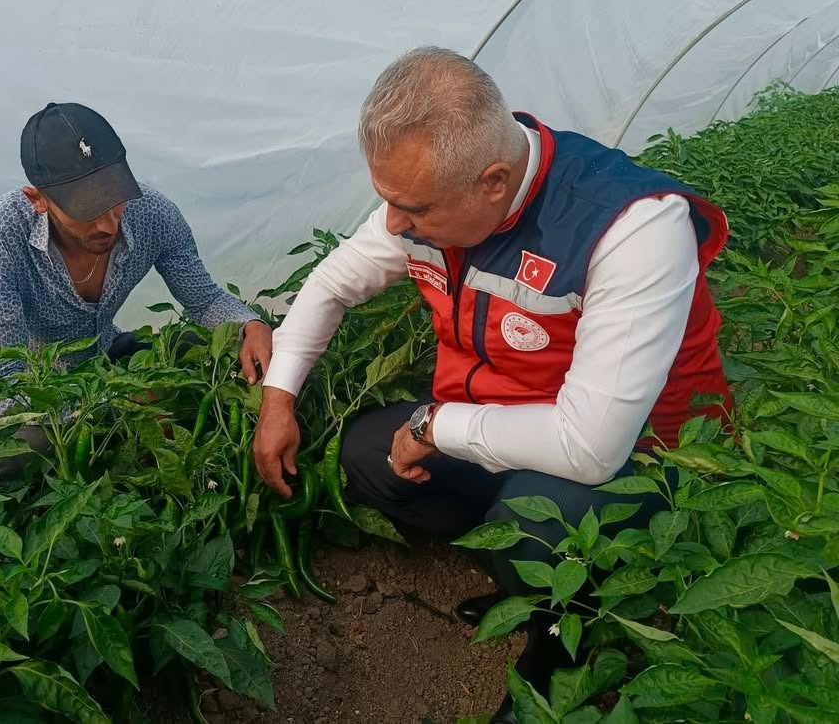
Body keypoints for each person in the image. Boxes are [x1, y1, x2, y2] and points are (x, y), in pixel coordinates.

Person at [252, 47, 731, 721]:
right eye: (388, 201)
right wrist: (278, 399)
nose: (394, 224)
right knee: (366, 456)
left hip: (647, 456)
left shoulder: (631, 227)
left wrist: (434, 426)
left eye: (412, 209)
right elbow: (333, 282)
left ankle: (559, 647)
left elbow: (590, 447)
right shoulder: (433, 196)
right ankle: (523, 580)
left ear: (493, 182)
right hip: (502, 417)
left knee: (533, 521)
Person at [0, 101, 272, 481]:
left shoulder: (152, 214)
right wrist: (111, 404)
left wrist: (249, 325)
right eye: (87, 210)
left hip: (106, 353)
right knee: (17, 452)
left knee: (204, 350)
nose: (108, 225)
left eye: (116, 201)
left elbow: (205, 299)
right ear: (38, 199)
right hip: (38, 383)